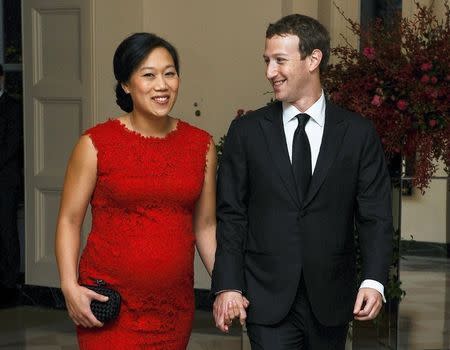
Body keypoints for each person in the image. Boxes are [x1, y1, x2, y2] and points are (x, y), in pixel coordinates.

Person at [211, 14, 393, 349]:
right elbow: (231, 214)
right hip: (265, 300)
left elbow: (375, 215)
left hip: (332, 300)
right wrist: (228, 285)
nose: (270, 72)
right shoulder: (247, 132)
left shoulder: (358, 133)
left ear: (313, 59)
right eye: (267, 61)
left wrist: (373, 280)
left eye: (280, 60)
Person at [55, 32, 217, 349]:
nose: (162, 85)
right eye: (148, 75)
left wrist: (228, 286)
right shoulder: (95, 144)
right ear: (126, 84)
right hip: (109, 308)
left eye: (170, 73)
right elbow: (69, 221)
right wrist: (67, 285)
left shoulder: (201, 145)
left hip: (173, 310)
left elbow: (206, 226)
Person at [0, 64, 23, 305]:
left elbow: (11, 146)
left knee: (6, 231)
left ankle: (9, 284)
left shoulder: (13, 106)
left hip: (5, 181)